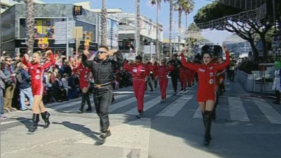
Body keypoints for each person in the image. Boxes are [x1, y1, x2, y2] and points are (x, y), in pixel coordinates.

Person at [180, 46, 230, 145]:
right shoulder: (198, 67)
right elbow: (185, 63)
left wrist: (226, 52)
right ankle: (207, 132)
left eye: (208, 57)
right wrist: (182, 53)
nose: (206, 59)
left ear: (210, 58)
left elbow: (227, 63)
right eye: (204, 57)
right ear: (202, 59)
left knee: (208, 114)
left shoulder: (214, 67)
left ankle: (206, 136)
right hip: (201, 94)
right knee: (204, 115)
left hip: (210, 94)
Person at [82, 46, 123, 143]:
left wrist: (116, 51)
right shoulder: (94, 63)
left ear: (106, 53)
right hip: (96, 89)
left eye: (102, 52)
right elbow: (85, 63)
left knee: (103, 110)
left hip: (106, 89)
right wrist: (84, 55)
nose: (99, 53)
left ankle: (103, 132)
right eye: (98, 52)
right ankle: (107, 128)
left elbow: (121, 62)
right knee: (99, 112)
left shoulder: (111, 63)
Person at [22, 50, 55, 132]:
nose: (33, 58)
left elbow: (52, 62)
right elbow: (23, 62)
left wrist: (50, 54)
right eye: (33, 57)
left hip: (39, 88)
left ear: (39, 58)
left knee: (34, 106)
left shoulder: (42, 66)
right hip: (33, 88)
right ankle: (46, 117)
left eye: (35, 57)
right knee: (40, 105)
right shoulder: (30, 65)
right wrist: (25, 56)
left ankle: (34, 124)